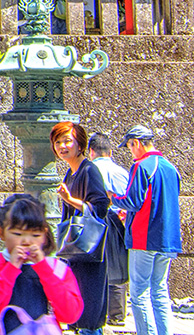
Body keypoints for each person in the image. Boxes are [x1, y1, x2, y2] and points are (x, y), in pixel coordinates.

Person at [0, 194, 83, 335]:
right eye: (17, 234)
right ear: (1, 232)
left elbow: (70, 314)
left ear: (44, 234)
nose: (26, 241)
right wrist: (10, 269)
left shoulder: (55, 268)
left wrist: (44, 269)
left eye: (35, 235)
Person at [113, 126, 182, 335]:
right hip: (167, 237)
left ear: (137, 143)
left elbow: (133, 201)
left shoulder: (141, 166)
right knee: (160, 290)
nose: (130, 152)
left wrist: (113, 199)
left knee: (139, 292)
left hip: (144, 238)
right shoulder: (171, 168)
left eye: (130, 146)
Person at [50, 122, 110, 335]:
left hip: (89, 250)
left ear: (80, 143)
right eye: (58, 142)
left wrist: (71, 200)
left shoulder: (89, 170)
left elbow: (102, 206)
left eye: (67, 141)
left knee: (88, 315)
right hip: (76, 252)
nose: (62, 146)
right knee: (77, 312)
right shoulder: (71, 173)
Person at [85, 132, 130, 326]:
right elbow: (129, 201)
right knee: (117, 266)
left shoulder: (86, 170)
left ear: (91, 152)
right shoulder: (121, 172)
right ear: (111, 152)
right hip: (116, 220)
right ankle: (117, 315)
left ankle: (95, 314)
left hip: (92, 219)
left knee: (92, 266)